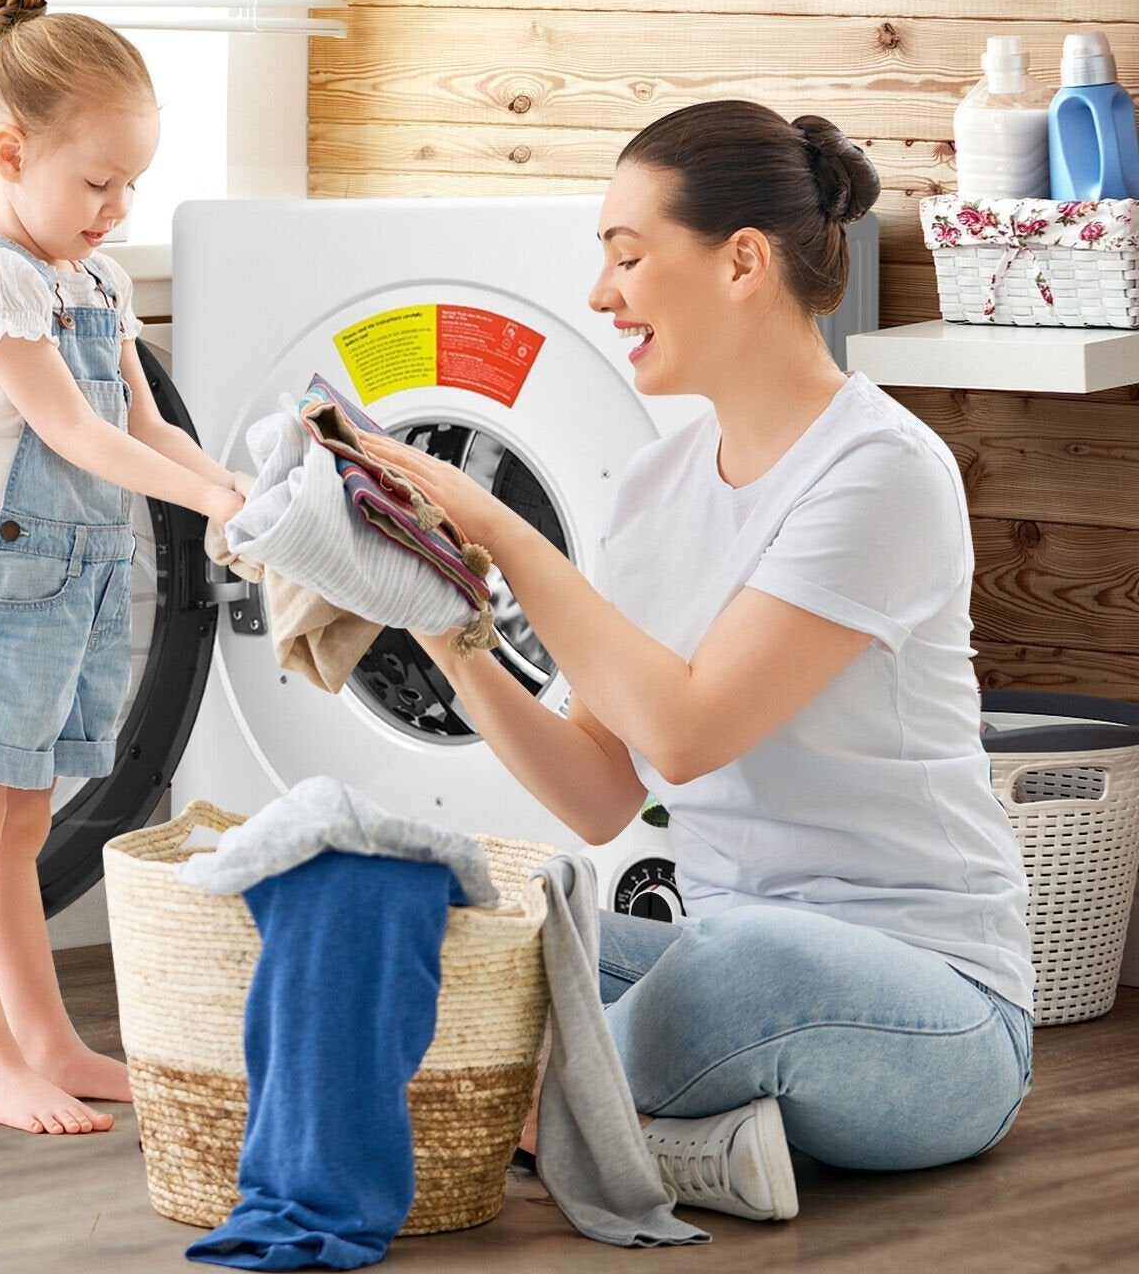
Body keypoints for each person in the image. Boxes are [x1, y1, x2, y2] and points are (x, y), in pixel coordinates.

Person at [359, 100, 1034, 1222]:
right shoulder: (656, 489)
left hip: (937, 1013)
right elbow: (598, 788)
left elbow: (685, 729)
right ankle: (674, 1146)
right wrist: (442, 619)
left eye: (627, 256)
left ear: (742, 263)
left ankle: (505, 1122)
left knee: (735, 965)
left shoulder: (880, 474)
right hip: (729, 972)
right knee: (455, 924)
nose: (601, 292)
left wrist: (511, 539)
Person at [0, 0, 244, 1136]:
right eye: (98, 183)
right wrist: (198, 498)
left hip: (77, 583)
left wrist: (227, 487)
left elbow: (144, 422)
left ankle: (50, 1040)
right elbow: (73, 432)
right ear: (9, 151)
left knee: (27, 826)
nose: (118, 208)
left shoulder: (93, 280)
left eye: (132, 183)